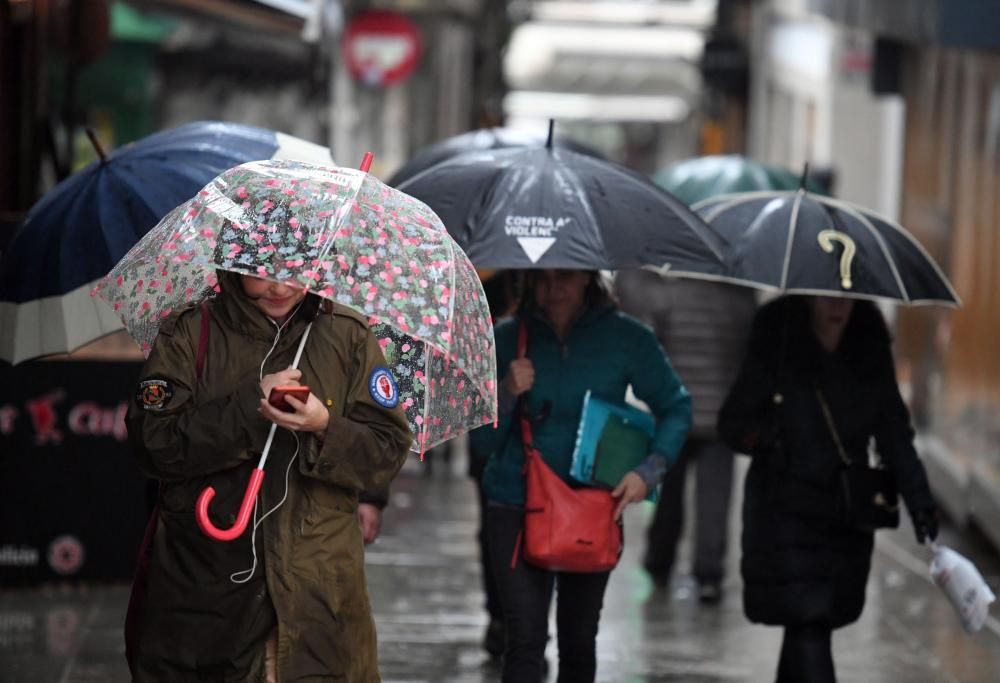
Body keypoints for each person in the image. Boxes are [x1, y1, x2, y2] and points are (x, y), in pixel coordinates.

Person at [125, 272, 412, 681]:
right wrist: (247, 408)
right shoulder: (192, 331)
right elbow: (151, 443)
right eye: (262, 273)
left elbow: (385, 452)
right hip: (208, 590)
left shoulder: (348, 334)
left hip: (318, 594)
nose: (279, 287)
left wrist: (325, 425)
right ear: (237, 261)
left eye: (294, 269)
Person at [470, 269, 691, 683]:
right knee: (524, 641)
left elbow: (676, 407)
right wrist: (508, 390)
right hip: (515, 504)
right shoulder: (506, 338)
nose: (555, 288)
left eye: (567, 277)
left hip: (592, 507)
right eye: (544, 278)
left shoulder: (627, 338)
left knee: (578, 640)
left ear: (590, 278)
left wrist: (650, 470)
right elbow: (482, 445)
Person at [717, 296, 939, 683]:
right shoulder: (779, 330)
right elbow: (733, 422)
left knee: (807, 626)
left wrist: (919, 499)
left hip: (846, 513)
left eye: (848, 296)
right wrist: (774, 434)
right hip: (783, 508)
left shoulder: (868, 338)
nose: (838, 305)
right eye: (828, 295)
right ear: (809, 294)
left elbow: (892, 429)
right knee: (809, 625)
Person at [615, 271, 756, 602]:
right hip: (721, 414)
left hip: (674, 414)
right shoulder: (739, 297)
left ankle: (659, 560)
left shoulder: (669, 294)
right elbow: (746, 352)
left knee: (668, 495)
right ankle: (709, 574)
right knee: (715, 499)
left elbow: (655, 346)